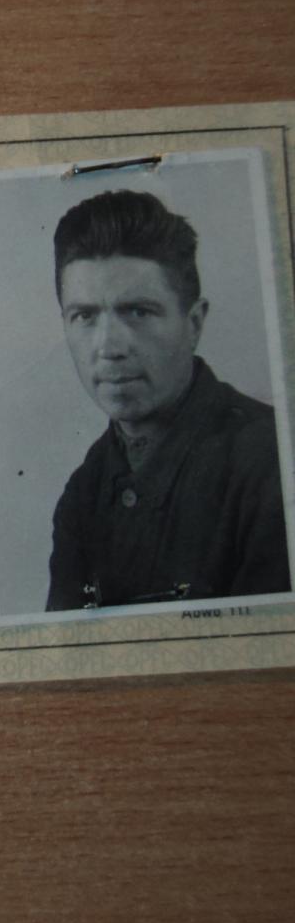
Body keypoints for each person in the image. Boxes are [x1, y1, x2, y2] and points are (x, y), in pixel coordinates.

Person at [46, 189, 291, 610]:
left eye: (138, 312)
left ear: (193, 323)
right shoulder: (83, 492)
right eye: (84, 316)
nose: (109, 347)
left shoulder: (273, 461)